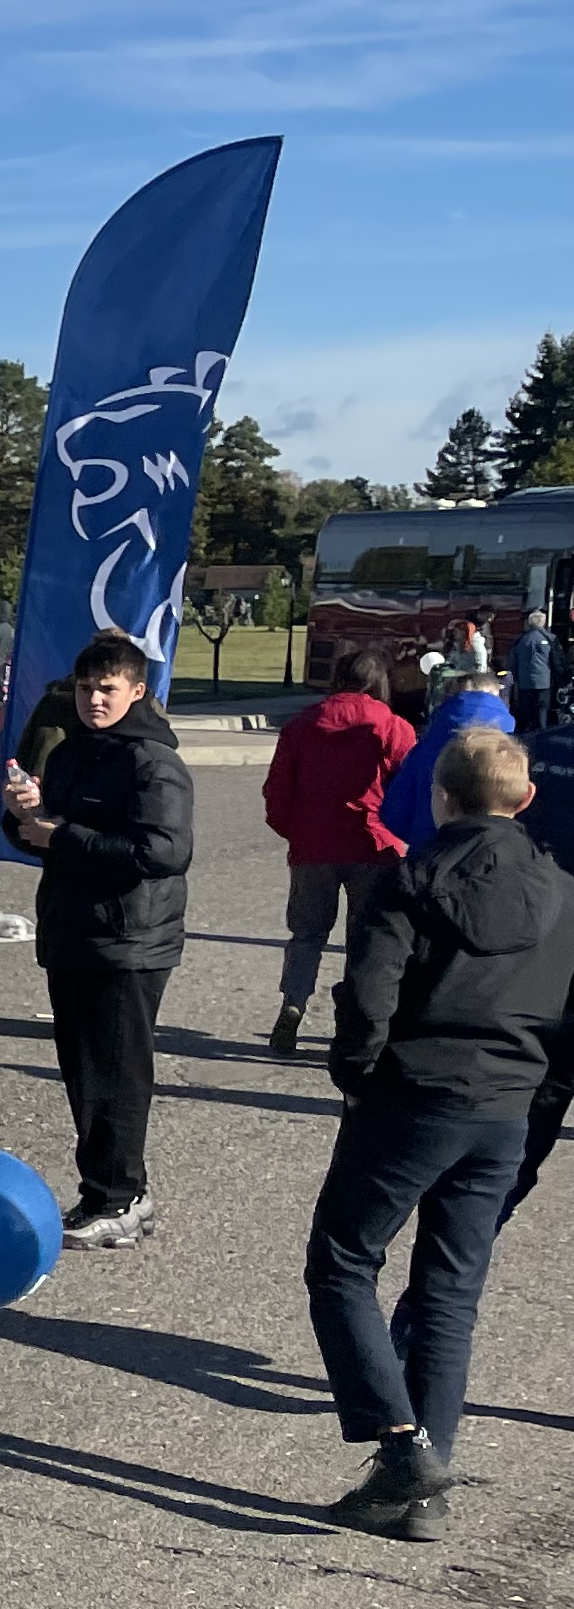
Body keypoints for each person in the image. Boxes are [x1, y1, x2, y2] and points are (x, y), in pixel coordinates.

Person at [309, 728, 574, 1545]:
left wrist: (355, 1073)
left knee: (343, 1261)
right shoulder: (563, 889)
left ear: (441, 797)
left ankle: (402, 1448)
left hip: (415, 1094)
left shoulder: (409, 880)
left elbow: (370, 995)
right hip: (507, 1107)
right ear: (527, 799)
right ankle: (427, 1489)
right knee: (450, 1294)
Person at [0, 630, 193, 1249]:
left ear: (137, 690)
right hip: (74, 933)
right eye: (86, 688)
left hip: (129, 941)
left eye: (108, 688)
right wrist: (23, 813)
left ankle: (119, 1199)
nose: (95, 700)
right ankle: (110, 1190)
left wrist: (63, 836)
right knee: (85, 1075)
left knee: (115, 1077)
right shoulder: (70, 752)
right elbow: (41, 834)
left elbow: (164, 852)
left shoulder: (153, 762)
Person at [261, 647, 416, 1054]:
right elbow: (409, 791)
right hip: (374, 844)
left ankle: (293, 1002)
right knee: (366, 939)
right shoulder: (394, 727)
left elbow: (278, 790)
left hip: (314, 845)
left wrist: (295, 831)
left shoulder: (301, 725)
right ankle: (354, 1020)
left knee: (307, 934)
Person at [385, 674, 516, 861]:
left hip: (430, 857)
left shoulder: (424, 748)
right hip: (494, 859)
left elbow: (395, 813)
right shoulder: (513, 752)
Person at [510, 609, 556, 736]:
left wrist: (515, 678)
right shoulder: (551, 639)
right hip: (544, 682)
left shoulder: (520, 640)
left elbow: (512, 662)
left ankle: (525, 736)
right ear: (543, 622)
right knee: (542, 710)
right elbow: (557, 661)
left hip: (525, 683)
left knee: (525, 711)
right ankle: (542, 735)